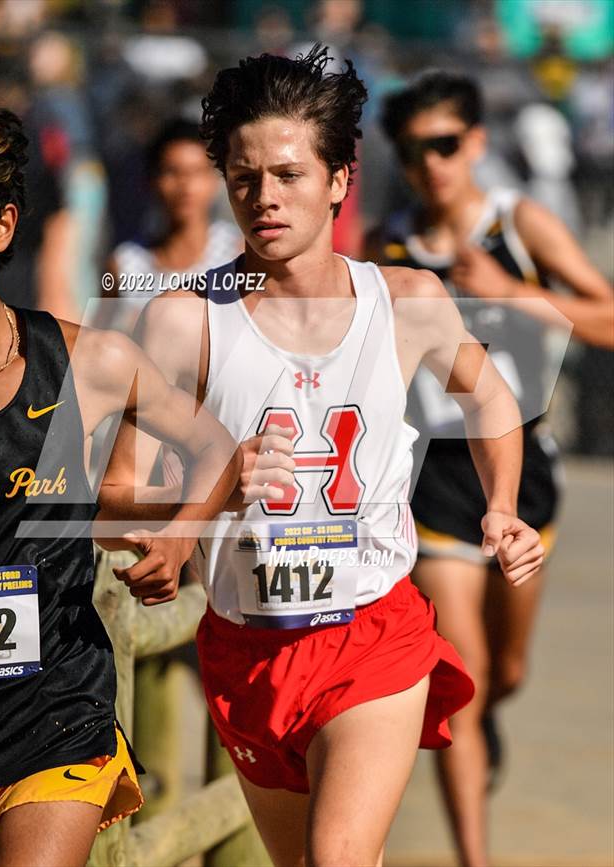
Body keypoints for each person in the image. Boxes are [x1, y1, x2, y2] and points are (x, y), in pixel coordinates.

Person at [99, 47, 544, 867]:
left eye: (289, 174)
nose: (264, 197)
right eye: (244, 177)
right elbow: (115, 496)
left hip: (373, 630)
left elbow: (491, 398)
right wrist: (208, 504)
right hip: (246, 648)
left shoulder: (405, 302)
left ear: (340, 179)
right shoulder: (180, 324)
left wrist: (503, 503)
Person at [0, 103, 241, 867]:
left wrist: (180, 529)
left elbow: (214, 448)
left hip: (54, 717)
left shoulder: (87, 362)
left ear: (2, 225)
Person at [368, 70, 613, 867]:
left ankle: (491, 714)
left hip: (524, 468)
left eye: (444, 145)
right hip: (435, 477)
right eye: (412, 152)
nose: (431, 164)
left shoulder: (522, 224)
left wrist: (510, 293)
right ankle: (477, 855)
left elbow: (607, 318)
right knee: (464, 676)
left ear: (473, 143)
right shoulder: (392, 247)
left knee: (505, 668)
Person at [98, 117, 241, 333]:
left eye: (196, 172)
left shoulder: (237, 253)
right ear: (151, 181)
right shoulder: (125, 263)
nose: (185, 185)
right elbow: (99, 341)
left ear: (215, 180)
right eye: (172, 172)